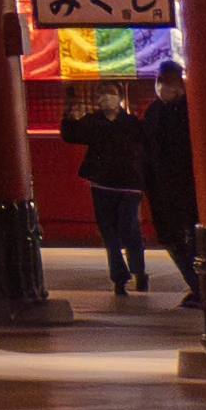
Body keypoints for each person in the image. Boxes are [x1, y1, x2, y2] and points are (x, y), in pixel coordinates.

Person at [63, 91, 161, 299]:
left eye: (111, 95)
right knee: (109, 233)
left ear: (120, 100)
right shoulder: (93, 122)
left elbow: (149, 147)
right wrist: (69, 117)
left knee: (128, 228)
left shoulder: (132, 124)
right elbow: (72, 135)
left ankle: (139, 270)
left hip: (130, 184)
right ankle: (119, 277)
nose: (106, 99)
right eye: (103, 96)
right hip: (102, 184)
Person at [137, 67, 198, 305]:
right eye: (160, 80)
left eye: (168, 81)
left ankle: (201, 286)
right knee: (172, 238)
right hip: (161, 188)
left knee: (191, 237)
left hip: (188, 186)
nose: (163, 86)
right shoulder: (154, 111)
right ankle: (195, 284)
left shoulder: (190, 110)